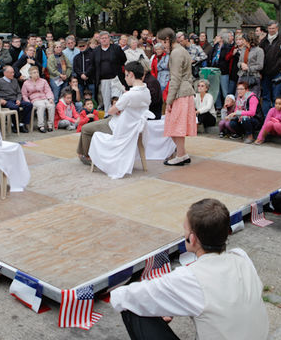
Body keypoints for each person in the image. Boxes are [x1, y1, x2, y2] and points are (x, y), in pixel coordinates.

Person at [110, 198, 268, 340]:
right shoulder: (241, 257)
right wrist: (169, 300)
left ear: (192, 239)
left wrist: (160, 305)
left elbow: (120, 297)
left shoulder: (191, 277)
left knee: (132, 307)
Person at [76, 61, 150, 164]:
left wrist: (120, 104)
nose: (125, 78)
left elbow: (110, 111)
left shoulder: (129, 95)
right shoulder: (146, 91)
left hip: (119, 126)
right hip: (134, 125)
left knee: (85, 128)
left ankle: (87, 156)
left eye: (126, 75)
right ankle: (82, 153)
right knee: (91, 126)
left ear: (131, 74)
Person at [159, 28, 196, 166]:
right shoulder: (182, 50)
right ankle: (183, 154)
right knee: (177, 125)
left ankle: (180, 155)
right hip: (185, 90)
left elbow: (175, 78)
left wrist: (169, 100)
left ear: (167, 40)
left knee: (175, 125)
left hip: (180, 93)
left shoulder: (176, 53)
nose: (162, 46)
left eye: (162, 42)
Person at [92, 31, 127, 109]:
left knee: (116, 98)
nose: (104, 40)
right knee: (106, 99)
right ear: (99, 40)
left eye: (106, 38)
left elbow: (123, 59)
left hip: (115, 78)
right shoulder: (96, 51)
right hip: (103, 79)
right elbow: (93, 64)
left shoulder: (116, 48)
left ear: (109, 39)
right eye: (102, 38)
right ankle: (107, 114)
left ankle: (118, 114)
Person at [0, 66, 33, 133]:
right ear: (5, 73)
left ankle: (22, 123)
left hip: (15, 99)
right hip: (6, 100)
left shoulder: (15, 80)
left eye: (13, 72)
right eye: (11, 73)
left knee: (29, 105)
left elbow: (19, 93)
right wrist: (0, 100)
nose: (13, 74)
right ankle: (15, 125)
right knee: (15, 107)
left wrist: (18, 99)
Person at [21, 66, 55, 133]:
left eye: (37, 72)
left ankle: (50, 125)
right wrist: (28, 102)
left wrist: (50, 98)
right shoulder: (26, 83)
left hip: (44, 98)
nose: (36, 74)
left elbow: (48, 90)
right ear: (30, 74)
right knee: (41, 106)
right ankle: (41, 126)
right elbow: (24, 94)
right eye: (34, 72)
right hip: (35, 99)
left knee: (51, 105)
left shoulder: (43, 81)